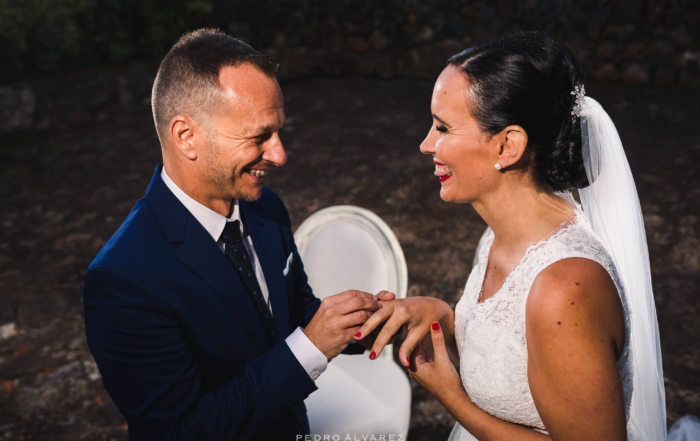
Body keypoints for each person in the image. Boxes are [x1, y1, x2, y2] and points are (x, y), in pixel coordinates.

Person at [82, 29, 394, 441]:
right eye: (259, 137)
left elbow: (296, 314)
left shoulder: (266, 209)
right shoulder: (123, 279)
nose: (280, 154)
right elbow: (180, 431)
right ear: (186, 136)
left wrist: (367, 323)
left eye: (278, 132)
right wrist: (310, 349)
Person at [357, 31, 666, 440]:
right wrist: (442, 318)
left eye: (443, 128)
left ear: (507, 146)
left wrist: (453, 399)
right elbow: (510, 354)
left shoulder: (563, 288)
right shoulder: (499, 237)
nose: (425, 144)